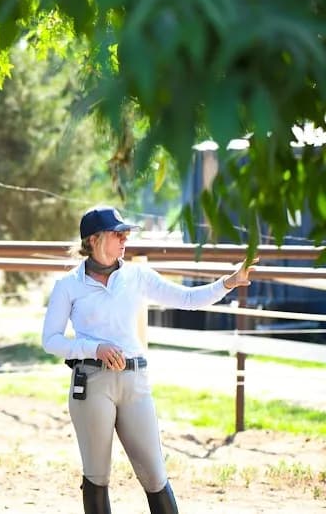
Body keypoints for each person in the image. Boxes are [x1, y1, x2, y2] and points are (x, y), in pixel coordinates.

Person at [41, 206, 257, 514]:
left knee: (156, 475)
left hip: (135, 384)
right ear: (94, 239)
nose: (125, 239)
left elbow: (187, 299)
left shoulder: (137, 276)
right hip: (92, 384)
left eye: (126, 233)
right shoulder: (68, 286)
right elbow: (51, 341)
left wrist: (229, 282)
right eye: (119, 234)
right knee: (97, 475)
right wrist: (94, 348)